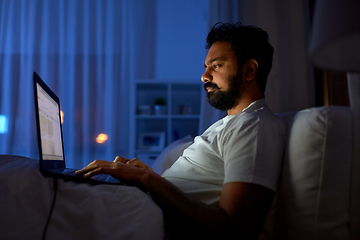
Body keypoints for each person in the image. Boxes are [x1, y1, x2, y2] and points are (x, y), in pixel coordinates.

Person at [76, 22, 285, 240]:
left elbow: (232, 231)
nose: (204, 76)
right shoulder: (232, 124)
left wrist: (147, 179)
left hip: (140, 221)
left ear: (249, 70)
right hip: (136, 208)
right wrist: (150, 177)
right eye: (206, 67)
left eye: (216, 66)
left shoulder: (254, 125)